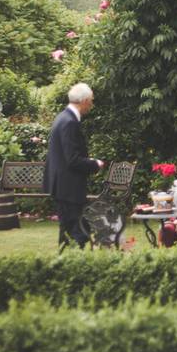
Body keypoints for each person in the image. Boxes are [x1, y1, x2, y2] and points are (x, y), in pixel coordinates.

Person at [42, 83, 104, 249]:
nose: (91, 105)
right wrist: (94, 164)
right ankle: (78, 264)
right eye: (90, 101)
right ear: (84, 101)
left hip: (63, 186)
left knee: (72, 229)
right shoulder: (69, 122)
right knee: (78, 232)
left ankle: (69, 260)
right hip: (68, 187)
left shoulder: (63, 117)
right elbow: (73, 160)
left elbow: (66, 155)